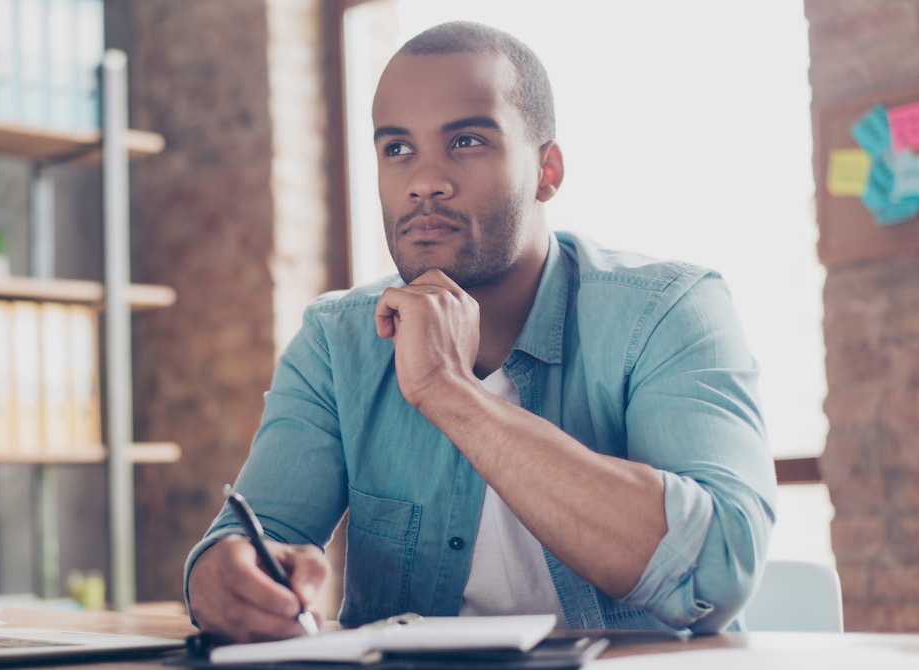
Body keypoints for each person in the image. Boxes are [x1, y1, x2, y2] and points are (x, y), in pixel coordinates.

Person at [184, 20, 776, 642]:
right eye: (397, 148)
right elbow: (252, 537)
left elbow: (718, 571)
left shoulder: (669, 311)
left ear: (547, 171)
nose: (424, 180)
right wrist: (221, 579)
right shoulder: (338, 341)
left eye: (466, 141)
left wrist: (450, 392)